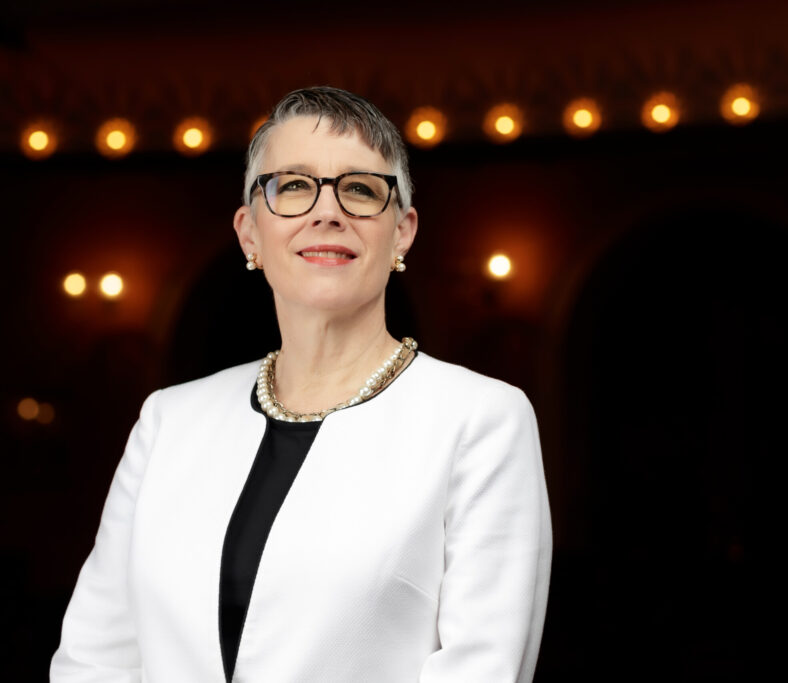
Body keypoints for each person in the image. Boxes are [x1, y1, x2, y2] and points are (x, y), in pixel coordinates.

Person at [50, 86, 552, 682]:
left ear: (402, 232)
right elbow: (94, 657)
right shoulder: (168, 421)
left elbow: (482, 671)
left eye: (361, 189)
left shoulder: (481, 420)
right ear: (249, 233)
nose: (327, 210)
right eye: (292, 186)